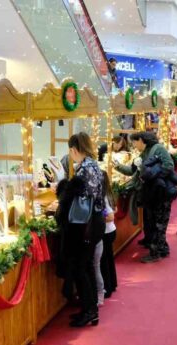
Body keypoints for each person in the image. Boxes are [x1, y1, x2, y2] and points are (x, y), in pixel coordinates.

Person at [65, 132, 106, 327]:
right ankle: (90, 310)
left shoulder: (84, 170)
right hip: (95, 222)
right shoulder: (93, 166)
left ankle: (89, 310)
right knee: (87, 266)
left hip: (86, 224)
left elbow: (82, 202)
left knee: (81, 268)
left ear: (73, 149)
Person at [117, 131, 177, 263]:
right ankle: (162, 249)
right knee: (156, 222)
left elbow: (169, 166)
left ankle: (156, 252)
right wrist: (117, 166)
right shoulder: (145, 152)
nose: (133, 144)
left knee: (158, 223)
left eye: (134, 141)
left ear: (141, 140)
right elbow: (133, 170)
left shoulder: (158, 149)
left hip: (160, 193)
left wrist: (149, 174)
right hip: (153, 193)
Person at [100, 171, 118, 298]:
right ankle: (112, 283)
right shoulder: (108, 193)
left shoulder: (103, 197)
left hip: (106, 231)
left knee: (103, 260)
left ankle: (107, 287)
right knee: (108, 258)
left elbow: (110, 216)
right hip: (110, 230)